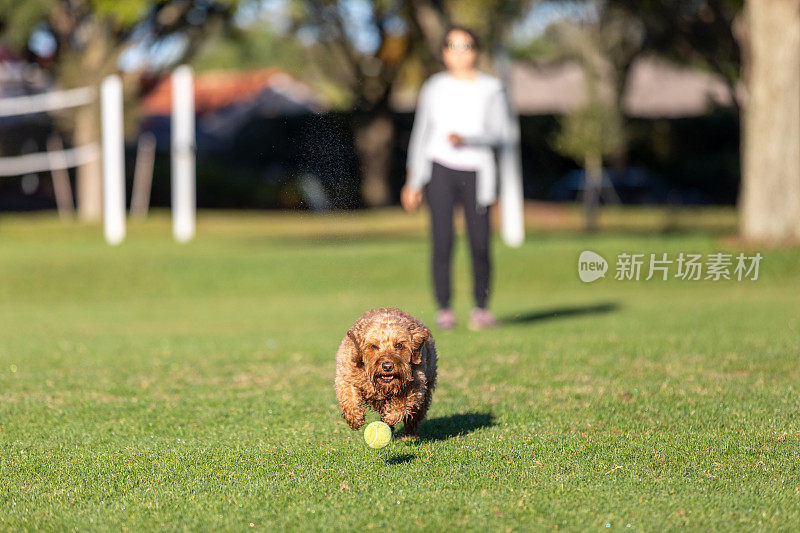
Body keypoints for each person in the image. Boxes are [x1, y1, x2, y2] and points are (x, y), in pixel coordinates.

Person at [401, 25, 518, 331]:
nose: (459, 52)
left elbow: (502, 133)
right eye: (452, 46)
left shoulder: (491, 88)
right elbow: (421, 134)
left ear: (476, 51)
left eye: (465, 46)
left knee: (480, 243)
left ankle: (481, 308)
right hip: (439, 168)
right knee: (442, 240)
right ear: (444, 52)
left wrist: (468, 139)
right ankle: (444, 309)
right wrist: (413, 181)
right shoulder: (434, 87)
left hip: (477, 170)